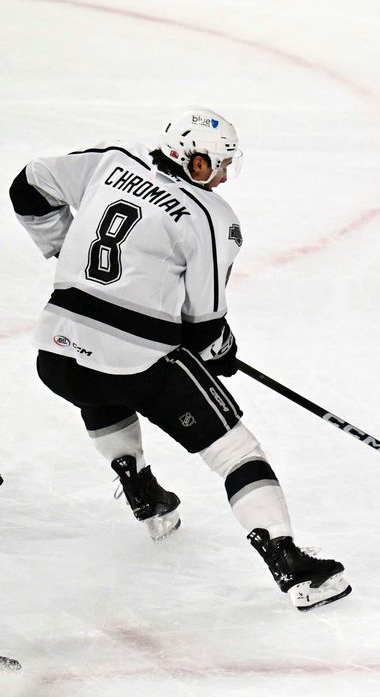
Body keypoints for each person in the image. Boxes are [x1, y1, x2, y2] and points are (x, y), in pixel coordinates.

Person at [8, 107, 351, 611]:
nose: (225, 176)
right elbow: (203, 323)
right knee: (236, 452)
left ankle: (139, 486)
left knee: (96, 377)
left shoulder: (108, 164)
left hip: (56, 353)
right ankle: (291, 565)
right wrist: (220, 352)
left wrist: (62, 249)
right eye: (217, 164)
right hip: (137, 364)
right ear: (190, 159)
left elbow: (27, 187)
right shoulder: (210, 216)